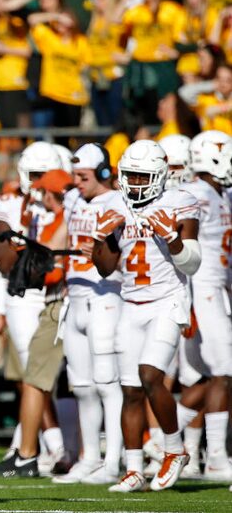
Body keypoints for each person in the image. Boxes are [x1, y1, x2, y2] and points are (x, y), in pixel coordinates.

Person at [92, 140, 200, 492]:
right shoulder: (112, 203)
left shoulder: (180, 201)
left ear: (159, 176)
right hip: (130, 302)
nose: (136, 183)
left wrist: (172, 238)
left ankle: (174, 449)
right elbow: (105, 268)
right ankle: (134, 467)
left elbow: (193, 263)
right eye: (131, 175)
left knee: (150, 375)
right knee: (131, 391)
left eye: (143, 176)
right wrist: (100, 238)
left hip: (167, 300)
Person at [0, 143, 67, 476]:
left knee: (58, 376)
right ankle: (53, 448)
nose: (39, 183)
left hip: (60, 293)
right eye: (35, 175)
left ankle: (31, 449)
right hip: (23, 296)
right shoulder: (8, 203)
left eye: (46, 176)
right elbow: (6, 262)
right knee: (35, 375)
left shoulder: (67, 203)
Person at [53, 143, 124, 485]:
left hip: (105, 296)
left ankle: (112, 460)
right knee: (81, 385)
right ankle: (89, 457)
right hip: (76, 297)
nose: (78, 183)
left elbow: (128, 252)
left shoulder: (118, 202)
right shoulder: (72, 200)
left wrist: (100, 252)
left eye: (84, 176)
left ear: (104, 174)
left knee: (108, 382)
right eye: (75, 176)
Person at [178, 131, 232, 481]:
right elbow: (184, 250)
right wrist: (188, 301)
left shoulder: (221, 193)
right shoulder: (196, 193)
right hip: (203, 289)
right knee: (224, 371)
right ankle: (214, 456)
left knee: (210, 375)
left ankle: (161, 438)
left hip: (218, 290)